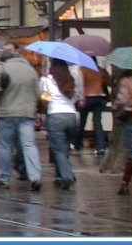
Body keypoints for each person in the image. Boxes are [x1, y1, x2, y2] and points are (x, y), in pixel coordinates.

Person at [0, 41, 42, 191]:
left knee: (5, 146)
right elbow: (37, 93)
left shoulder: (2, 68)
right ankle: (35, 176)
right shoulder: (30, 70)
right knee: (29, 145)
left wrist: (1, 93)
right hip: (27, 114)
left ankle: (4, 178)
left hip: (7, 113)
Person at [40, 59, 83, 189]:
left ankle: (66, 175)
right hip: (71, 116)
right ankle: (60, 175)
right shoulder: (71, 80)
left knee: (58, 149)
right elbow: (77, 97)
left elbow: (43, 98)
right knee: (64, 148)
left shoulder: (46, 80)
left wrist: (42, 114)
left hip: (55, 115)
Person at [74, 57, 111, 155]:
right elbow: (109, 82)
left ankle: (77, 143)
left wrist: (81, 98)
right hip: (100, 97)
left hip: (88, 97)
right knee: (98, 122)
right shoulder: (100, 70)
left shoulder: (83, 69)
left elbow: (80, 85)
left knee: (82, 121)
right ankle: (101, 146)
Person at [112, 69, 132, 195]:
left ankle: (124, 184)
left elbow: (122, 100)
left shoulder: (126, 80)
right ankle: (124, 184)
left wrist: (115, 106)